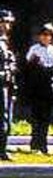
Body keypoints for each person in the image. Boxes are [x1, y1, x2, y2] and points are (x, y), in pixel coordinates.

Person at [23, 23, 53, 153]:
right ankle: (34, 144)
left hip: (49, 88)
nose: (46, 38)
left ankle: (43, 144)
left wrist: (50, 69)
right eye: (43, 35)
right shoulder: (34, 49)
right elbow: (28, 66)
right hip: (36, 87)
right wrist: (39, 66)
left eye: (48, 35)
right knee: (36, 116)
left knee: (46, 117)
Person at [0, 9, 15, 161]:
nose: (7, 26)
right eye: (4, 22)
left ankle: (2, 149)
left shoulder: (4, 40)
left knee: (5, 117)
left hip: (6, 84)